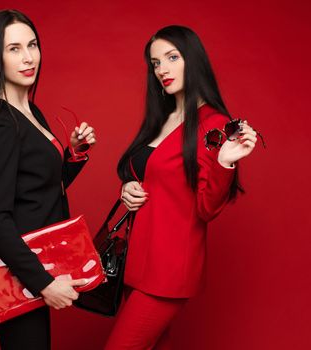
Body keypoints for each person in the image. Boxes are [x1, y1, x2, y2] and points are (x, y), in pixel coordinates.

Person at [106, 25, 259, 349]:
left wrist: (225, 163)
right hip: (136, 263)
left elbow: (205, 208)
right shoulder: (161, 118)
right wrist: (128, 187)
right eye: (155, 63)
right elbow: (146, 173)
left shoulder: (213, 124)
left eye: (172, 57)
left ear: (193, 59)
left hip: (168, 269)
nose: (162, 69)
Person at [0, 9, 96, 350]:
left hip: (35, 264)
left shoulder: (31, 112)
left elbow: (40, 190)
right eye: (14, 49)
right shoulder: (2, 124)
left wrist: (74, 154)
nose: (28, 57)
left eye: (32, 45)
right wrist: (44, 283)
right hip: (19, 272)